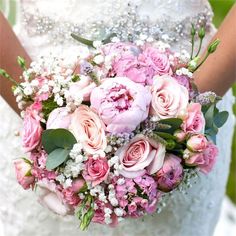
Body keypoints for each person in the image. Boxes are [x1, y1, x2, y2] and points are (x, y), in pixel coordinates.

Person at [0, 1, 235, 236]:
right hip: (30, 80)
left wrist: (184, 111)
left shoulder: (186, 110)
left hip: (197, 86)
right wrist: (40, 110)